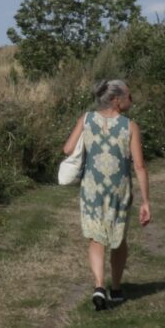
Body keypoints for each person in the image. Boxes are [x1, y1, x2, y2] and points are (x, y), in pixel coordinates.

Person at [62, 79, 151, 311]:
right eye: (129, 96)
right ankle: (117, 286)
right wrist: (146, 201)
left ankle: (99, 285)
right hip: (119, 188)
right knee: (118, 237)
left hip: (92, 187)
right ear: (116, 100)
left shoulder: (86, 119)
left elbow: (68, 149)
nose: (132, 100)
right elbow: (139, 166)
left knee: (96, 237)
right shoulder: (129, 126)